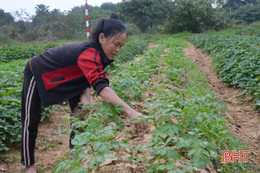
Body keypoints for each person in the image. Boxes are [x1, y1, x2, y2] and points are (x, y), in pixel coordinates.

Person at [21, 13, 147, 173]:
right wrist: (131, 112)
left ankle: (76, 151)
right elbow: (102, 88)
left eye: (121, 46)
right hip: (39, 71)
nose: (118, 49)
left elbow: (85, 78)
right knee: (31, 118)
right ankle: (29, 165)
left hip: (69, 79)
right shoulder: (90, 53)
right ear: (101, 38)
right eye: (115, 44)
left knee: (81, 113)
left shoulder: (98, 54)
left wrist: (86, 99)